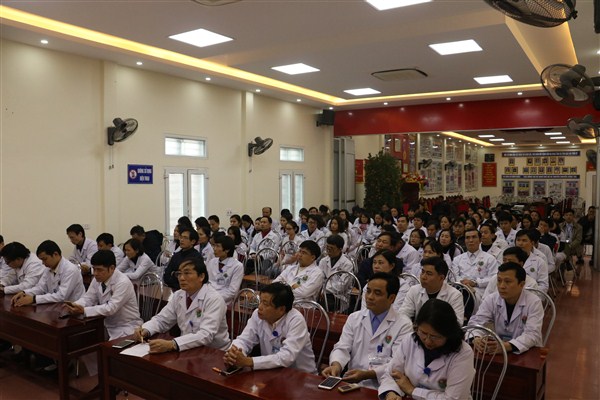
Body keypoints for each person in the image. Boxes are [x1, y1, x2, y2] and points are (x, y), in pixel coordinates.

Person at [321, 272, 413, 389]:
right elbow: (342, 347)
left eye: (377, 293)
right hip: (352, 382)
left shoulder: (404, 325)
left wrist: (367, 374)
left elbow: (397, 363)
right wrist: (336, 365)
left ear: (391, 298)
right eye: (368, 291)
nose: (370, 297)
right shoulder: (354, 318)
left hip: (385, 387)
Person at [377, 299, 475, 400]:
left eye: (434, 336)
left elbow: (453, 398)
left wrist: (412, 390)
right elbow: (390, 374)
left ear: (448, 334)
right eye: (423, 333)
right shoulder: (410, 340)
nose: (428, 341)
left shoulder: (463, 353)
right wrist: (391, 392)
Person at [135, 257, 230, 353]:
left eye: (187, 273)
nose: (181, 278)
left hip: (214, 352)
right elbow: (162, 320)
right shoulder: (178, 295)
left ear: (201, 276)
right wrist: (146, 329)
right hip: (187, 348)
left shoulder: (214, 299)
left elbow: (206, 335)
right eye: (179, 274)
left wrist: (172, 344)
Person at [223, 282, 316, 373]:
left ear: (281, 309)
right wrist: (234, 353)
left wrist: (250, 361)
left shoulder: (296, 320)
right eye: (260, 301)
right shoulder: (258, 315)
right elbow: (244, 340)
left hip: (300, 376)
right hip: (271, 371)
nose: (260, 307)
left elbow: (286, 357)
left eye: (265, 304)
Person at [64, 250, 142, 340]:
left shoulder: (123, 282)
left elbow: (111, 308)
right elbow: (88, 298)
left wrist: (84, 310)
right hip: (106, 324)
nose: (95, 273)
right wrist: (75, 305)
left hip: (126, 326)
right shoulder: (97, 279)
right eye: (94, 269)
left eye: (100, 270)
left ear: (112, 268)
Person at [468, 262, 543, 354]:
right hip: (498, 349)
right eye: (499, 281)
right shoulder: (492, 299)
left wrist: (508, 346)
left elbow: (532, 334)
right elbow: (476, 323)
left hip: (525, 351)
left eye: (508, 282)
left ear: (521, 284)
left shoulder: (534, 302)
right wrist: (476, 338)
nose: (501, 286)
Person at [11, 240, 84, 307]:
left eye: (45, 259)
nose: (43, 263)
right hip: (56, 306)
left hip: (73, 308)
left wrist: (34, 299)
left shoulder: (70, 269)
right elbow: (40, 288)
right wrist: (25, 293)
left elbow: (61, 296)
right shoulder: (48, 268)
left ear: (55, 254)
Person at [400, 257, 464, 326]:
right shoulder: (414, 290)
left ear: (441, 278)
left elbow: (457, 323)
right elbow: (403, 314)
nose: (423, 277)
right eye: (423, 272)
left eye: (429, 274)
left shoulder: (455, 295)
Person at [451, 229, 499, 301]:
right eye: (467, 238)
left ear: (480, 240)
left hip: (482, 293)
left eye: (474, 237)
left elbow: (493, 278)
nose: (470, 240)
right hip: (461, 290)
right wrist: (465, 284)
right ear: (464, 241)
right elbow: (454, 277)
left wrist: (475, 283)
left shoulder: (490, 259)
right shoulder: (457, 259)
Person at [320, 235, 354, 312]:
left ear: (340, 249)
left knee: (324, 302)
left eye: (332, 248)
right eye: (327, 247)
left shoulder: (347, 264)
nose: (328, 251)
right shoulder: (323, 261)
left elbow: (340, 287)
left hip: (338, 297)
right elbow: (319, 279)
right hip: (322, 293)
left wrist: (324, 289)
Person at [206, 235, 244, 305]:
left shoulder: (237, 266)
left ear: (227, 250)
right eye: (214, 246)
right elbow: (206, 282)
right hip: (208, 296)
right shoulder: (212, 262)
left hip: (224, 301)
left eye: (217, 246)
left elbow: (232, 291)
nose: (214, 249)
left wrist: (214, 298)